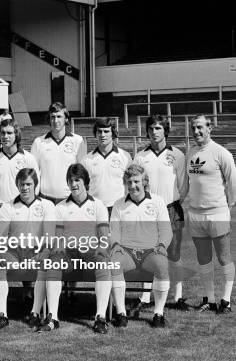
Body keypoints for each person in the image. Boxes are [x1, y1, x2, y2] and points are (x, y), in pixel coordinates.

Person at [43, 164, 111, 333]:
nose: (74, 184)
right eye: (70, 180)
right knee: (54, 262)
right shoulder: (60, 208)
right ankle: (53, 317)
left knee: (103, 261)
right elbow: (58, 237)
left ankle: (100, 317)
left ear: (85, 181)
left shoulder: (98, 205)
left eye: (77, 180)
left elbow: (103, 234)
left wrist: (101, 248)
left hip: (90, 253)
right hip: (69, 254)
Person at [0, 168, 56, 329]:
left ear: (35, 185)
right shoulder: (8, 206)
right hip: (14, 252)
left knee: (46, 263)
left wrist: (43, 252)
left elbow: (49, 234)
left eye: (28, 184)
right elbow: (1, 234)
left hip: (36, 251)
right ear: (17, 185)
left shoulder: (47, 205)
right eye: (21, 184)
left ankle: (35, 313)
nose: (25, 188)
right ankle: (2, 315)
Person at [133, 115, 188, 312]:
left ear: (165, 130)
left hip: (171, 209)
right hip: (147, 211)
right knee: (146, 254)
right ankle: (145, 296)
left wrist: (170, 203)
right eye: (151, 128)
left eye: (158, 128)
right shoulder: (140, 156)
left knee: (174, 254)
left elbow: (183, 186)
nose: (154, 132)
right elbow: (135, 185)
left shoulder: (178, 155)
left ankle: (179, 295)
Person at [109, 164, 172, 328]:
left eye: (136, 181)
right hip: (127, 252)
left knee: (162, 264)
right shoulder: (119, 204)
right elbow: (114, 230)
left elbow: (166, 230)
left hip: (150, 252)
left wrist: (162, 245)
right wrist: (115, 244)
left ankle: (158, 314)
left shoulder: (158, 201)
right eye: (129, 182)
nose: (132, 185)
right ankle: (121, 314)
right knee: (114, 263)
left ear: (144, 182)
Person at [186, 115, 236, 314]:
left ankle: (226, 300)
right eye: (193, 128)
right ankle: (210, 299)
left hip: (217, 214)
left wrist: (230, 205)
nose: (196, 132)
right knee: (203, 259)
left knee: (224, 257)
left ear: (209, 128)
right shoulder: (190, 153)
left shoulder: (221, 153)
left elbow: (232, 181)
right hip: (196, 214)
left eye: (200, 128)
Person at [31, 102, 86, 204]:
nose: (55, 120)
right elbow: (34, 173)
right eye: (52, 117)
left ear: (66, 119)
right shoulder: (38, 142)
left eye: (59, 116)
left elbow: (81, 173)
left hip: (70, 199)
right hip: (45, 199)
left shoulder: (78, 141)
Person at [81, 117, 131, 214]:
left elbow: (129, 185)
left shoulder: (125, 156)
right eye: (99, 131)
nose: (102, 135)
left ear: (112, 133)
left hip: (119, 209)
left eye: (106, 131)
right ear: (95, 134)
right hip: (94, 209)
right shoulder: (86, 160)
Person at [0, 119, 39, 205]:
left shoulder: (28, 158)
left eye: (9, 133)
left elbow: (36, 187)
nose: (5, 136)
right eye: (2, 133)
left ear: (17, 134)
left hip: (20, 207)